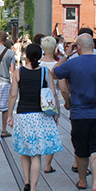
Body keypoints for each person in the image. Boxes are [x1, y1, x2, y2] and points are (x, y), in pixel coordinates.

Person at [52, 33, 96, 191]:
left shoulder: (72, 63)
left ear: (78, 47)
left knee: (81, 149)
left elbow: (54, 73)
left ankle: (82, 181)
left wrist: (67, 54)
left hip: (79, 114)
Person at [6, 44, 63, 191]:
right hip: (41, 116)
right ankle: (34, 188)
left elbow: (13, 95)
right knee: (36, 153)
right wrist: (56, 112)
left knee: (25, 151)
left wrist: (10, 115)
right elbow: (53, 94)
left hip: (23, 115)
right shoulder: (46, 72)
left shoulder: (18, 73)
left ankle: (26, 181)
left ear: (27, 55)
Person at [39, 36, 61, 173]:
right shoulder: (56, 65)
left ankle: (36, 159)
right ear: (54, 48)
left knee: (38, 131)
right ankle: (48, 165)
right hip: (52, 102)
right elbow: (59, 88)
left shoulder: (37, 64)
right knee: (50, 133)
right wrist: (57, 110)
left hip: (38, 101)